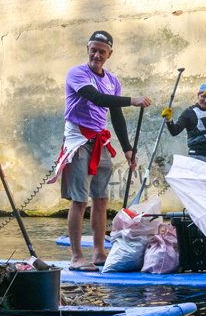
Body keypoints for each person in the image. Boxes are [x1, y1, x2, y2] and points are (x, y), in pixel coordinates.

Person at [48, 30, 151, 271]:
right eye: (93, 50)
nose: (97, 55)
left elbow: (115, 115)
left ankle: (98, 253)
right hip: (78, 140)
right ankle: (76, 257)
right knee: (79, 200)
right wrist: (132, 100)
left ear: (109, 54)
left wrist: (127, 149)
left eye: (102, 51)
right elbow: (97, 99)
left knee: (102, 198)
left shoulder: (113, 80)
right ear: (87, 49)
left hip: (99, 140)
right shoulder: (77, 73)